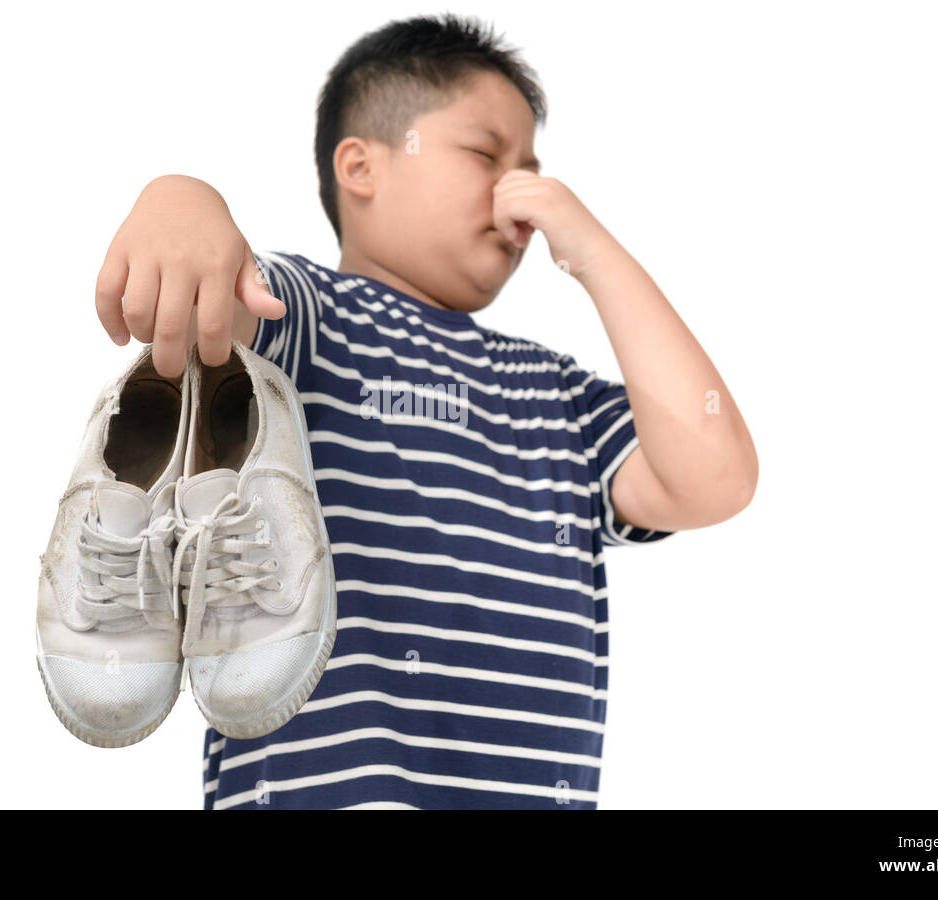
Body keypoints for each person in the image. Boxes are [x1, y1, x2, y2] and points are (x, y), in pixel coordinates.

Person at [93, 13, 758, 809]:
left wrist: (590, 246)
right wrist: (181, 199)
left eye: (536, 172)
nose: (524, 194)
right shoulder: (315, 318)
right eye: (486, 155)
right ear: (362, 167)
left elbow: (715, 476)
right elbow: (213, 296)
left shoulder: (555, 392)